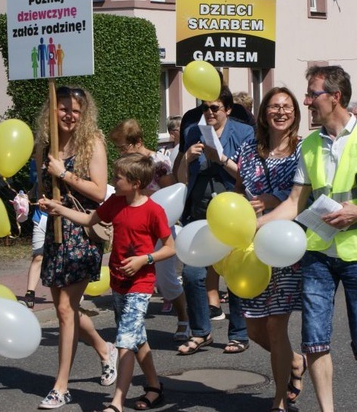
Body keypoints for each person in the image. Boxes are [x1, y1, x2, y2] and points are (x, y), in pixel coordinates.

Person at [258, 65, 357, 412]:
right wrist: (256, 226)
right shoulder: (309, 145)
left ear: (335, 97)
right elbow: (295, 202)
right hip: (318, 251)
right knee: (313, 341)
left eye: (313, 94)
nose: (307, 101)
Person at [40, 153, 175, 412]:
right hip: (119, 283)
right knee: (137, 338)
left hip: (140, 285)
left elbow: (170, 248)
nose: (113, 182)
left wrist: (144, 259)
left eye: (118, 178)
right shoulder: (115, 202)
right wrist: (59, 209)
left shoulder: (153, 211)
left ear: (135, 183)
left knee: (124, 341)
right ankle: (155, 387)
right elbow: (90, 220)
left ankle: (116, 403)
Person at [36, 86, 117, 409]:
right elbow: (42, 183)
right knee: (62, 309)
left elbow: (100, 193)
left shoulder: (91, 142)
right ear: (52, 110)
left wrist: (64, 173)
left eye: (76, 111)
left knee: (67, 310)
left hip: (82, 232)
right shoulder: (44, 145)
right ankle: (104, 349)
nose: (69, 115)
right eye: (63, 109)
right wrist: (40, 197)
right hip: (55, 230)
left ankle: (61, 385)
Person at [226, 87, 305, 411]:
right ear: (263, 113)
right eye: (274, 106)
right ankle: (295, 361)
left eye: (287, 106)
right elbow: (239, 189)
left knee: (276, 326)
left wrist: (276, 200)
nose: (281, 111)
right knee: (255, 327)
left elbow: (304, 199)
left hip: (286, 247)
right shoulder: (248, 149)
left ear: (295, 113)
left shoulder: (303, 150)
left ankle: (278, 402)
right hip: (251, 248)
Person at [176, 86, 254, 356]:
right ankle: (201, 332)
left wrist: (220, 159)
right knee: (192, 274)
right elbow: (180, 178)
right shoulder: (192, 132)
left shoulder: (244, 133)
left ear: (228, 109)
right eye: (204, 107)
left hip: (231, 215)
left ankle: (239, 333)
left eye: (214, 108)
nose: (208, 113)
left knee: (234, 274)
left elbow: (249, 175)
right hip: (199, 213)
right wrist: (186, 159)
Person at [109, 119, 190, 342]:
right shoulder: (125, 165)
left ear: (138, 143)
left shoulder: (159, 161)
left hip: (159, 225)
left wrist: (143, 198)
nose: (120, 151)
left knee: (165, 281)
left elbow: (172, 191)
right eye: (119, 147)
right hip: (135, 229)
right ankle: (131, 327)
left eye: (123, 146)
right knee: (132, 277)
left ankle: (184, 319)